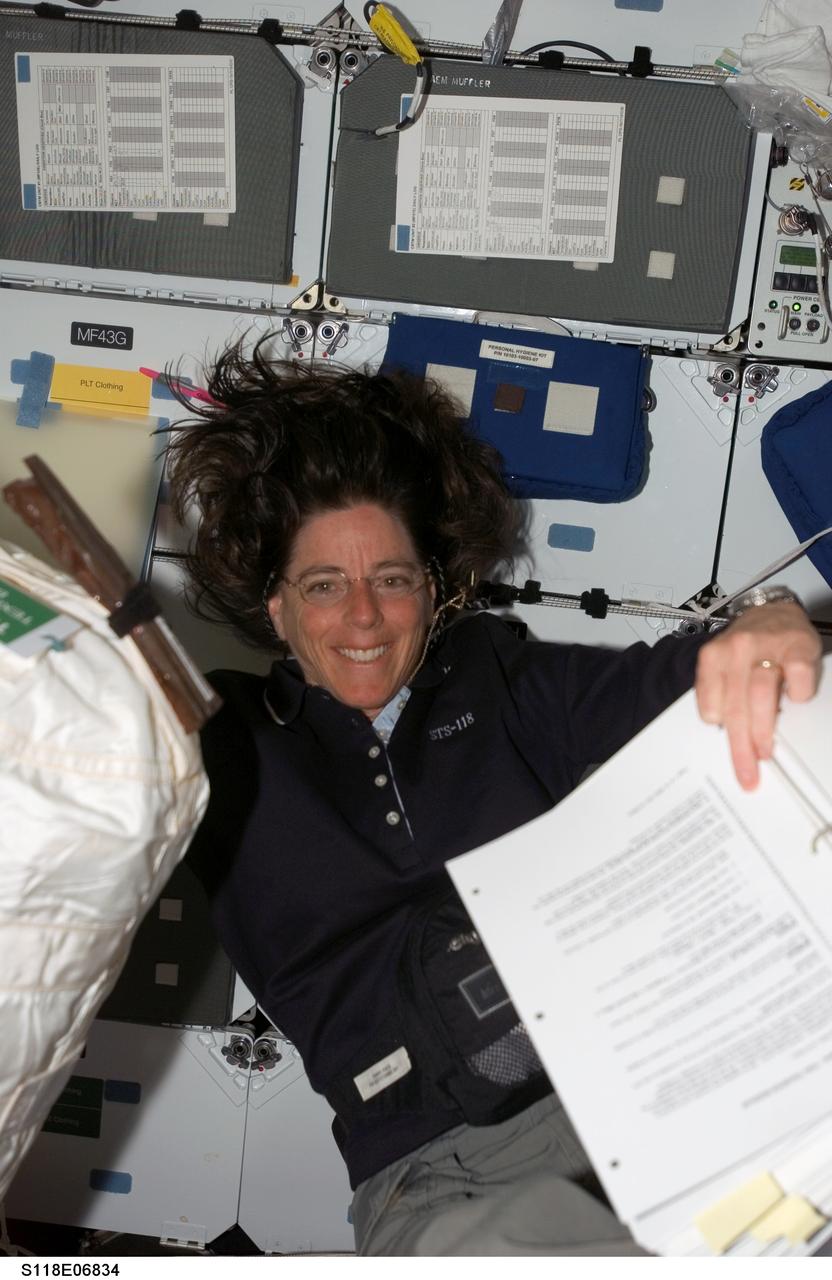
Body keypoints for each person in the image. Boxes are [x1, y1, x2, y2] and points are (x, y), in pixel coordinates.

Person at [167, 337, 822, 1256]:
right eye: (324, 586)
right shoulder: (223, 740)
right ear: (276, 608)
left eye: (392, 580)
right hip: (444, 1176)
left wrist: (773, 626)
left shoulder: (498, 678)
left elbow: (683, 681)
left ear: (434, 593)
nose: (363, 616)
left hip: (654, 1110)